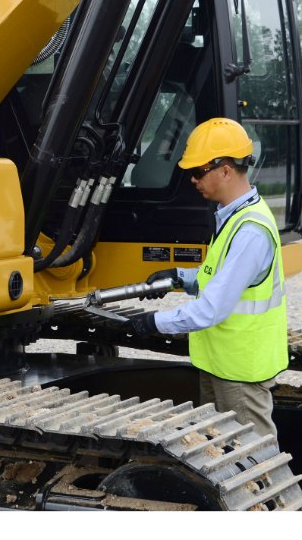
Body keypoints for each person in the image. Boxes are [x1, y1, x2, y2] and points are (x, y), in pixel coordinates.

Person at [123, 117, 287, 439]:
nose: (193, 181)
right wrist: (181, 277)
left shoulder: (250, 231)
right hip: (220, 363)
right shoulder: (233, 217)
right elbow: (220, 277)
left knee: (253, 460)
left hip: (238, 371)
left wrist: (153, 323)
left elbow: (212, 309)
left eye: (198, 172)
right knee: (219, 453)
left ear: (225, 170)